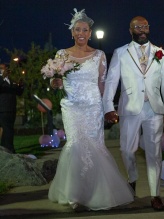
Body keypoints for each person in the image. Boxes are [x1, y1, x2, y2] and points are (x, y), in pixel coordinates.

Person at [47, 8, 134, 211]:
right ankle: (75, 194)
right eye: (77, 29)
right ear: (72, 32)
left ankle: (95, 193)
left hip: (93, 107)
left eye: (85, 30)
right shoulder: (62, 54)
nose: (81, 33)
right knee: (76, 145)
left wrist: (107, 109)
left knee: (94, 147)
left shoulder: (99, 55)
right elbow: (54, 81)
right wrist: (55, 82)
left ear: (90, 33)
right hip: (71, 107)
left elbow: (102, 85)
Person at [103, 16, 164, 211]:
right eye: (138, 27)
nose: (142, 30)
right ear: (130, 30)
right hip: (129, 108)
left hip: (154, 109)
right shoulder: (120, 53)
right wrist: (108, 106)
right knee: (127, 150)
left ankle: (155, 194)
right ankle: (132, 178)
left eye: (145, 26)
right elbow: (111, 82)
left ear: (149, 29)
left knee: (154, 153)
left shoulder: (161, 53)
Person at [0, 63, 24, 153]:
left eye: (5, 68)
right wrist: (2, 77)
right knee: (7, 129)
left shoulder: (11, 80)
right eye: (2, 68)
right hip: (3, 109)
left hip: (12, 109)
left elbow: (18, 92)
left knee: (9, 129)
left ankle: (3, 149)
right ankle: (10, 149)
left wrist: (21, 85)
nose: (5, 69)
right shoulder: (1, 79)